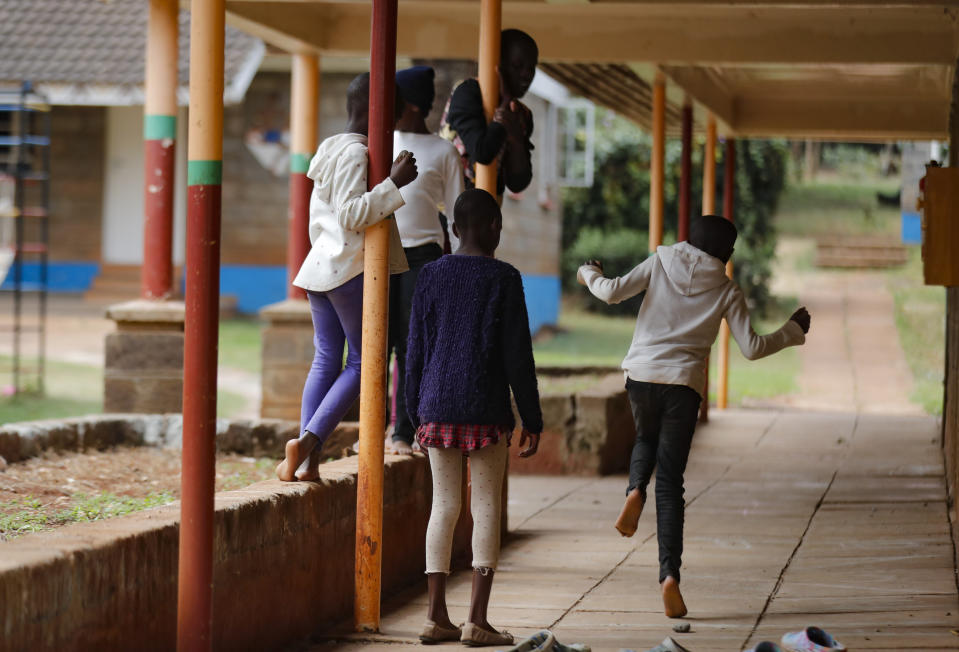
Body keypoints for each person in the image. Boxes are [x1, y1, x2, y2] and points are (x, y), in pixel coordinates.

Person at [577, 215, 811, 619]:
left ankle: (634, 490)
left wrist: (588, 272)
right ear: (729, 255)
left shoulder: (660, 261)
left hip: (642, 375)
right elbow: (752, 347)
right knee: (670, 483)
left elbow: (612, 292)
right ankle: (669, 576)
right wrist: (791, 330)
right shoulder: (727, 290)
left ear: (685, 239)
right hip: (683, 387)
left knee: (643, 442)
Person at [406, 188, 542, 645]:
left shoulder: (430, 275)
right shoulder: (504, 279)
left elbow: (415, 353)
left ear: (453, 230)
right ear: (495, 229)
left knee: (443, 507)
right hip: (485, 411)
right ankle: (476, 621)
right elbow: (517, 358)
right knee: (484, 506)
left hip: (436, 409)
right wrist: (533, 417)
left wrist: (412, 415)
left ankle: (434, 616)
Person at [275, 72, 418, 482]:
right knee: (363, 362)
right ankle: (308, 441)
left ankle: (305, 460)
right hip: (350, 269)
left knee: (325, 359)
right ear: (382, 114)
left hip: (320, 266)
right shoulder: (359, 154)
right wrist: (394, 182)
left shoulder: (329, 147)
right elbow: (352, 215)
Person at [387, 65, 465, 455]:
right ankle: (368, 428)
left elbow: (455, 215)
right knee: (374, 344)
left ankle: (403, 431)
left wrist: (457, 271)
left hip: (423, 259)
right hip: (380, 255)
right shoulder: (379, 142)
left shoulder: (443, 152)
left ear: (412, 105)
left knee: (411, 344)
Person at [440, 29, 537, 199]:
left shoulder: (523, 115)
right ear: (498, 64)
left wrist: (516, 141)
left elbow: (517, 183)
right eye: (517, 66)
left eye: (531, 68)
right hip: (447, 210)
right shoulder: (468, 93)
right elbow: (481, 153)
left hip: (487, 215)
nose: (526, 75)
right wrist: (503, 112)